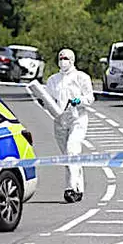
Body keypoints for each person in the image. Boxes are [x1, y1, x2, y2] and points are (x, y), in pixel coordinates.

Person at [45, 48, 95, 203]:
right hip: (59, 120)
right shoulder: (53, 80)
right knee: (67, 155)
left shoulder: (81, 77)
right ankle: (78, 188)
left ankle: (71, 188)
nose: (63, 61)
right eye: (60, 58)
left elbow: (90, 97)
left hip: (77, 118)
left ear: (72, 60)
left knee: (72, 149)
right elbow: (48, 99)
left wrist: (79, 100)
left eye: (65, 58)